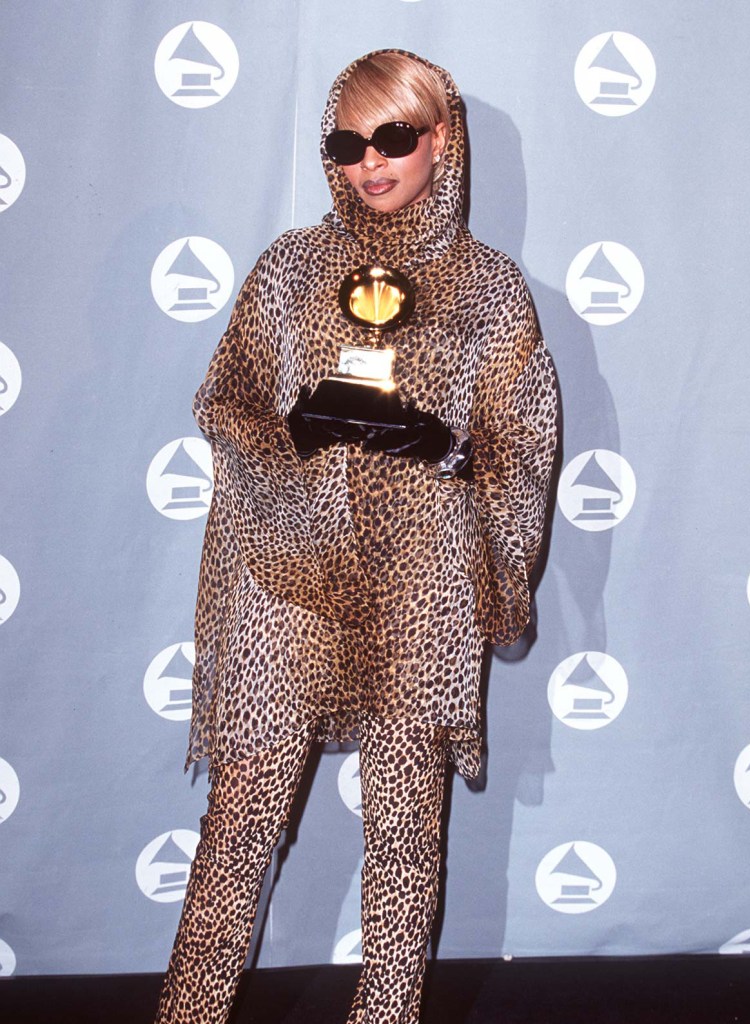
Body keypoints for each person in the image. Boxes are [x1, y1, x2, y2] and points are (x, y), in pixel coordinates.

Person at [155, 48, 557, 1024]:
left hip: (420, 587)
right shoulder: (289, 267)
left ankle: (386, 1014)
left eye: (392, 137)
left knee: (408, 831)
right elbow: (225, 402)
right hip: (285, 585)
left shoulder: (490, 290)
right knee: (239, 818)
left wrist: (445, 446)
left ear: (440, 139)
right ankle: (188, 1010)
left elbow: (526, 443)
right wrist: (303, 432)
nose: (368, 161)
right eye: (346, 141)